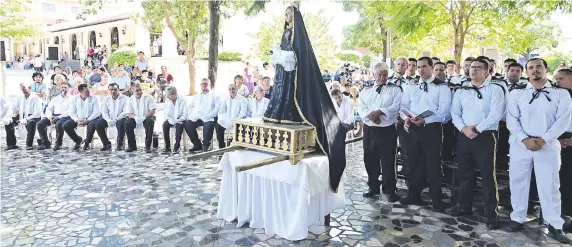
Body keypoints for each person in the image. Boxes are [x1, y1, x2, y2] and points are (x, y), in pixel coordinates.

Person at [263, 6, 347, 191]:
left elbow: (296, 57)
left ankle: (292, 115)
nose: (286, 16)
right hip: (283, 74)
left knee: (290, 97)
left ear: (296, 16)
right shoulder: (286, 32)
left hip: (294, 75)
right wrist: (276, 54)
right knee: (280, 94)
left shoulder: (297, 33)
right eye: (285, 13)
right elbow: (284, 52)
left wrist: (282, 55)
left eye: (290, 13)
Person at [506, 58, 571, 244]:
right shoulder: (517, 93)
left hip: (548, 145)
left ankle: (554, 223)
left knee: (550, 185)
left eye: (538, 67)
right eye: (531, 67)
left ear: (546, 69)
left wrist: (544, 139)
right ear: (526, 71)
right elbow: (512, 119)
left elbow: (563, 121)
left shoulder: (561, 93)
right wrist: (524, 139)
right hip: (521, 144)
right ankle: (517, 218)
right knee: (518, 182)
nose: (535, 70)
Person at [449, 58, 505, 229]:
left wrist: (478, 129)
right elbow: (455, 113)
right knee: (464, 174)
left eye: (478, 68)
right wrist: (464, 129)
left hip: (485, 137)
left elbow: (496, 114)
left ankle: (491, 215)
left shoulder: (495, 89)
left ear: (487, 71)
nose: (473, 71)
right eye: (472, 68)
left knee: (488, 176)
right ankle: (464, 206)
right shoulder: (461, 90)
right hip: (464, 136)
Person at [400, 57, 450, 212]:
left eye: (424, 67)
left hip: (432, 129)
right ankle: (414, 195)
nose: (420, 70)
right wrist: (406, 118)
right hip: (413, 129)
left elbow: (445, 112)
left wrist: (425, 120)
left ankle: (436, 199)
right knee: (413, 163)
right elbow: (404, 106)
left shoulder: (441, 87)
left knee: (432, 165)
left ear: (431, 67)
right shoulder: (411, 85)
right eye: (418, 67)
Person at [357, 62, 402, 201]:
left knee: (388, 160)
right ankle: (373, 186)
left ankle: (390, 189)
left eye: (385, 74)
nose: (382, 77)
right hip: (370, 129)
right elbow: (361, 107)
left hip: (387, 130)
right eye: (379, 74)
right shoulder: (366, 90)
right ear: (374, 75)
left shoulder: (395, 89)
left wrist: (381, 112)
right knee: (370, 158)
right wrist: (371, 117)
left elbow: (396, 106)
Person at [554, 68, 572, 216]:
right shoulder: (556, 96)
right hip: (556, 140)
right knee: (558, 178)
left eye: (560, 79)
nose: (557, 82)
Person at [4, 84, 43, 150]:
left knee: (31, 123)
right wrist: (11, 115)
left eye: (25, 89)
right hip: (22, 115)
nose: (24, 91)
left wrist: (26, 119)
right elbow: (14, 107)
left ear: (29, 88)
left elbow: (37, 113)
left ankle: (29, 144)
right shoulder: (20, 97)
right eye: (22, 89)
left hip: (33, 116)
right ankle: (11, 144)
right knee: (9, 123)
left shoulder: (36, 98)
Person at [64, 84, 100, 151]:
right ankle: (78, 140)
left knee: (92, 125)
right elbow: (72, 112)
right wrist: (77, 120)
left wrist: (87, 120)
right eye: (86, 91)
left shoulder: (94, 98)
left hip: (91, 118)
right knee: (66, 125)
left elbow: (96, 112)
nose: (89, 92)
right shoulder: (74, 99)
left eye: (89, 90)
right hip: (78, 118)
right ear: (80, 92)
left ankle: (87, 143)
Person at [36, 82, 72, 150]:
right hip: (53, 116)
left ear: (69, 89)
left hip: (65, 116)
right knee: (40, 124)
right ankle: (46, 143)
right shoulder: (55, 98)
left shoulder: (71, 99)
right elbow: (48, 109)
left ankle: (58, 143)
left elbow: (69, 111)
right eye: (62, 87)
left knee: (58, 124)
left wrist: (58, 117)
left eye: (65, 87)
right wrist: (49, 116)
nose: (63, 89)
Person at [124, 83, 157, 153]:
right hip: (135, 117)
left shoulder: (148, 97)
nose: (139, 92)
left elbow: (153, 110)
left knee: (150, 122)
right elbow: (129, 113)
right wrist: (135, 117)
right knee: (127, 123)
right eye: (137, 91)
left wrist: (144, 117)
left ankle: (147, 146)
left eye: (140, 90)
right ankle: (132, 146)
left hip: (148, 116)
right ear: (133, 91)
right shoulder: (130, 99)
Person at [96, 83, 128, 152]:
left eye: (115, 89)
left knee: (121, 124)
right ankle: (106, 144)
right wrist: (108, 120)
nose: (113, 91)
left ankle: (120, 144)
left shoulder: (125, 98)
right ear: (109, 90)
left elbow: (125, 112)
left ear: (118, 90)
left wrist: (116, 120)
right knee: (98, 124)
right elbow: (104, 112)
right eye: (111, 90)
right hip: (109, 118)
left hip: (121, 118)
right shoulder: (106, 99)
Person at [215, 84, 248, 149]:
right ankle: (221, 147)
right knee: (218, 126)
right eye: (230, 89)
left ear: (237, 89)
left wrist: (235, 120)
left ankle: (234, 147)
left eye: (233, 89)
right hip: (227, 119)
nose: (231, 90)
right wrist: (222, 119)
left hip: (238, 120)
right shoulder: (225, 98)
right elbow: (222, 111)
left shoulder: (242, 99)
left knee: (239, 127)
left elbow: (243, 113)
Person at [161, 86, 187, 154]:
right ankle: (167, 146)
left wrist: (177, 120)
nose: (167, 96)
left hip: (181, 118)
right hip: (171, 118)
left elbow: (185, 115)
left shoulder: (182, 100)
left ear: (174, 94)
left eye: (168, 95)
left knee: (179, 125)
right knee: (165, 125)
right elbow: (166, 113)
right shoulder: (167, 101)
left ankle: (177, 146)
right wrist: (169, 120)